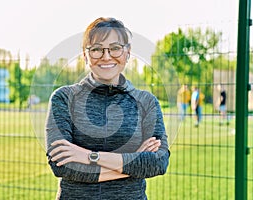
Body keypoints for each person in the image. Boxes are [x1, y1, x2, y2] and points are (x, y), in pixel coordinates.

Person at [45, 17, 170, 200]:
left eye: (115, 48)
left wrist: (89, 156)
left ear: (127, 52)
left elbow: (158, 162)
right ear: (85, 55)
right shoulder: (64, 98)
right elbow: (62, 165)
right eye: (96, 49)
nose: (106, 56)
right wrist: (135, 160)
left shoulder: (147, 102)